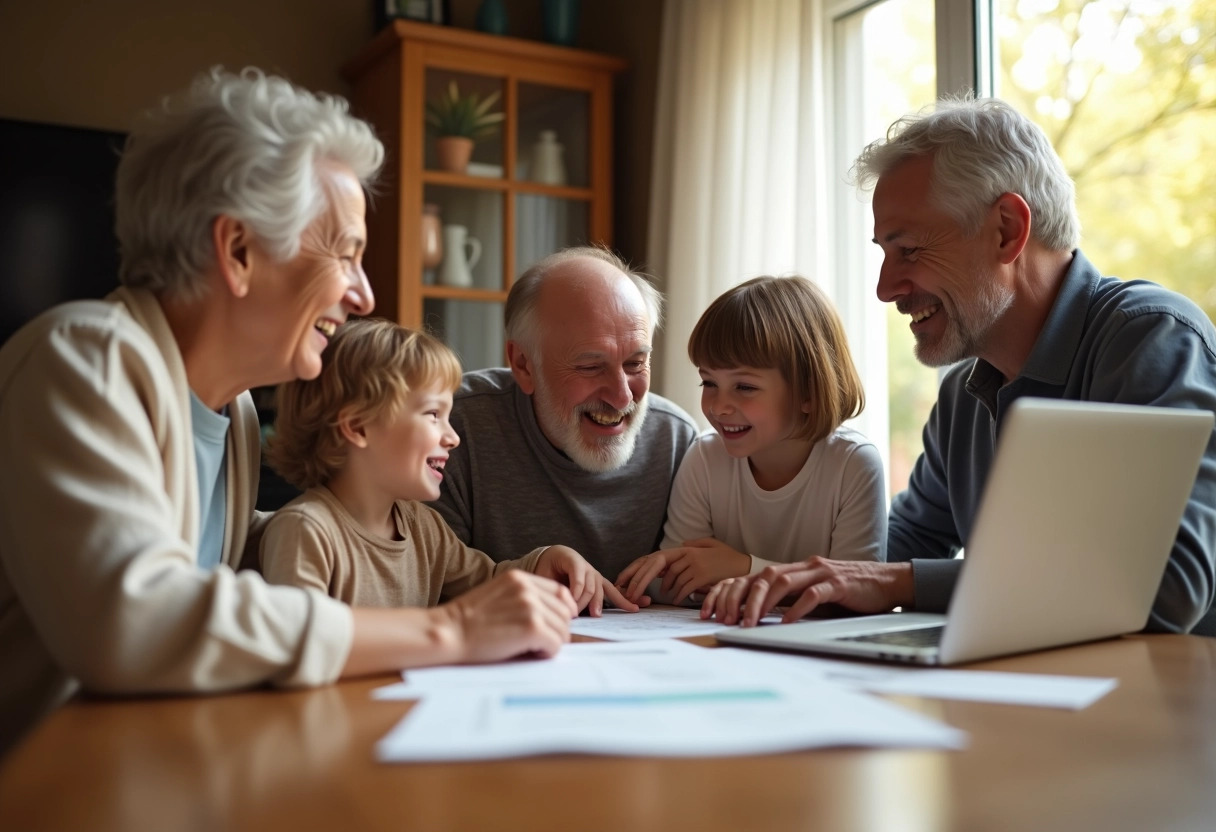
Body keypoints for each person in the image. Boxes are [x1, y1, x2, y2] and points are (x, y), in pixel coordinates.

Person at [0, 68, 576, 756]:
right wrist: (452, 630)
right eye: (346, 253)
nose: (363, 295)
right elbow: (138, 618)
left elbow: (213, 552)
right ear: (239, 251)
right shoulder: (85, 359)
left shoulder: (235, 411)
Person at [703, 96, 1216, 633]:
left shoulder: (1151, 340)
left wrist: (904, 583)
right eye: (882, 253)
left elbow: (1167, 592)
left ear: (1007, 230)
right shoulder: (965, 395)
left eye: (909, 250)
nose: (884, 289)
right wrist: (767, 577)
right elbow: (893, 552)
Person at [260, 317, 632, 615]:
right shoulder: (305, 532)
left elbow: (487, 581)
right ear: (357, 427)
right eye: (433, 415)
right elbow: (299, 645)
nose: (452, 437)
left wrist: (543, 562)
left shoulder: (422, 526)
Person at [431, 246, 701, 585]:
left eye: (635, 364)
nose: (621, 397)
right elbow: (431, 584)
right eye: (590, 367)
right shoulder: (452, 429)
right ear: (524, 365)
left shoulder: (676, 442)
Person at [615, 275, 886, 606]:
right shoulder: (704, 458)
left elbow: (858, 594)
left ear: (808, 392)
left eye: (744, 387)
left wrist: (743, 568)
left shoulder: (853, 465)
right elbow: (673, 584)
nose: (718, 407)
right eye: (708, 383)